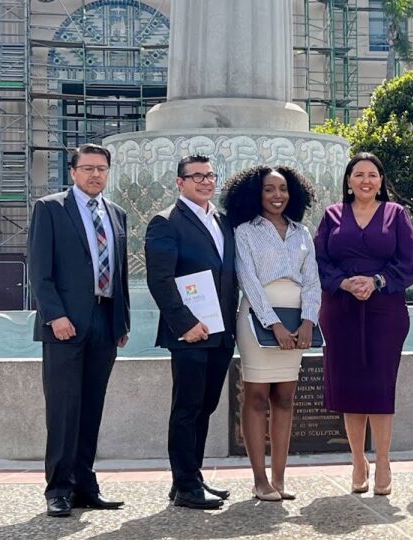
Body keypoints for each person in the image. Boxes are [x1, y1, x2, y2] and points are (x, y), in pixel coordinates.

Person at [28, 144, 129, 517]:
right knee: (64, 409)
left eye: (101, 168)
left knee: (91, 409)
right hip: (64, 325)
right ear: (72, 172)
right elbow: (39, 269)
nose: (95, 175)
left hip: (105, 322)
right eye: (87, 168)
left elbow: (118, 274)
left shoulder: (116, 213)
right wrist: (54, 315)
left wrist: (122, 322)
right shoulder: (50, 208)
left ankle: (85, 486)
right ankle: (58, 489)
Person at [314, 152, 413, 496]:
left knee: (379, 387)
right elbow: (319, 260)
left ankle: (383, 461)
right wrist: (344, 283)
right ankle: (358, 460)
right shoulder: (331, 216)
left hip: (384, 312)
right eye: (359, 174)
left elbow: (408, 262)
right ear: (348, 180)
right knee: (349, 389)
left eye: (372, 175)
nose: (366, 181)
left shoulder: (395, 214)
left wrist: (376, 281)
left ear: (381, 181)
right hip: (340, 310)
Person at [222, 165, 321, 502]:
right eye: (269, 189)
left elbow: (312, 281)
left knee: (285, 398)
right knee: (257, 397)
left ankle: (279, 478)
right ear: (256, 193)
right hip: (258, 320)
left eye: (282, 189)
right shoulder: (244, 232)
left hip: (297, 323)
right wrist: (273, 324)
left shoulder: (302, 232)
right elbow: (247, 279)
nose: (277, 195)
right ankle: (259, 480)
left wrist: (308, 321)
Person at [145, 155, 238, 510]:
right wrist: (185, 324)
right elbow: (160, 280)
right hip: (190, 334)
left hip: (221, 332)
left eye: (210, 175)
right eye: (196, 176)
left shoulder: (222, 221)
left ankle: (190, 477)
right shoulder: (166, 222)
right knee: (186, 408)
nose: (205, 181)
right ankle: (186, 485)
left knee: (205, 406)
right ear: (179, 182)